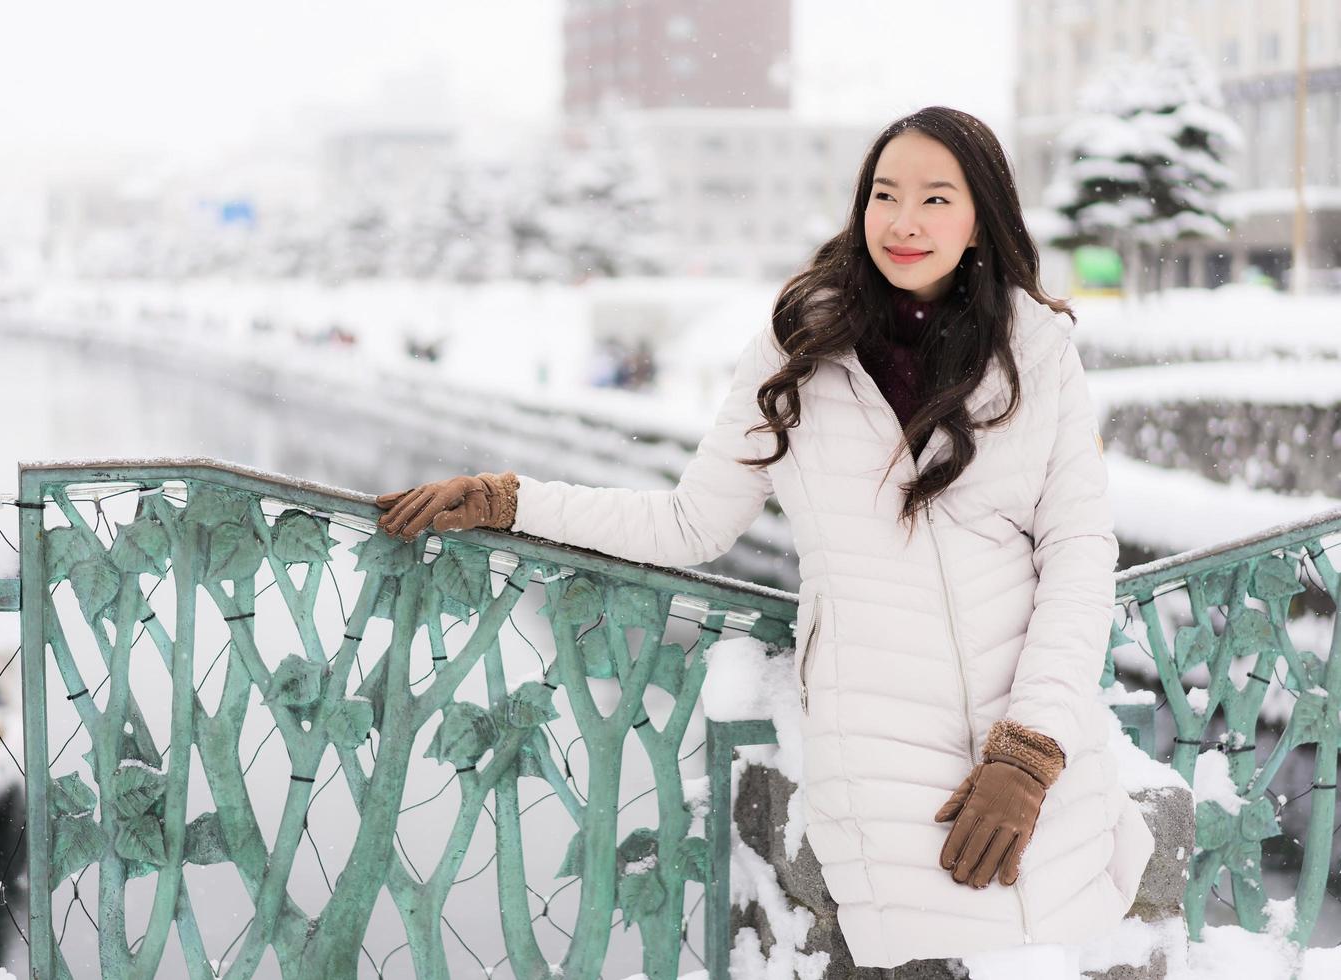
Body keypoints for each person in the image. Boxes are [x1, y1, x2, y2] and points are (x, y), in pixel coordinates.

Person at [373, 105, 1155, 979]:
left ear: (982, 218)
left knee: (1059, 933)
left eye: (936, 198)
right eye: (884, 195)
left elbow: (1081, 553)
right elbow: (689, 523)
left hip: (1032, 731)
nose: (903, 221)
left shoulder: (1036, 348)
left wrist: (1031, 750)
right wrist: (508, 501)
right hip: (879, 743)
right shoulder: (803, 343)